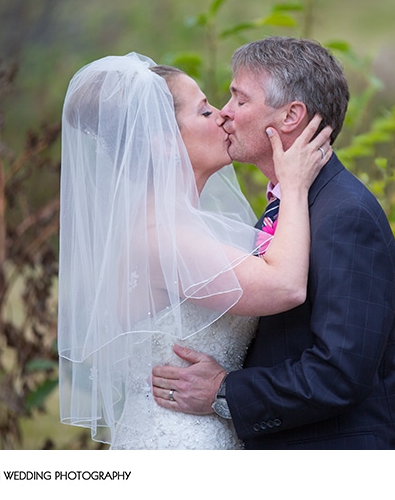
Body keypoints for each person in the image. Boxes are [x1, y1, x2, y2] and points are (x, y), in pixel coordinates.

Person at [57, 52, 333, 449]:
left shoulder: (183, 227)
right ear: (165, 144)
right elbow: (285, 286)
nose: (223, 115)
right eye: (204, 112)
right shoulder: (158, 237)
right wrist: (293, 184)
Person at [152, 36, 395, 449]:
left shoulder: (346, 215)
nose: (225, 113)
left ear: (291, 115)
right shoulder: (290, 206)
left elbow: (339, 372)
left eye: (240, 100)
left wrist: (224, 391)